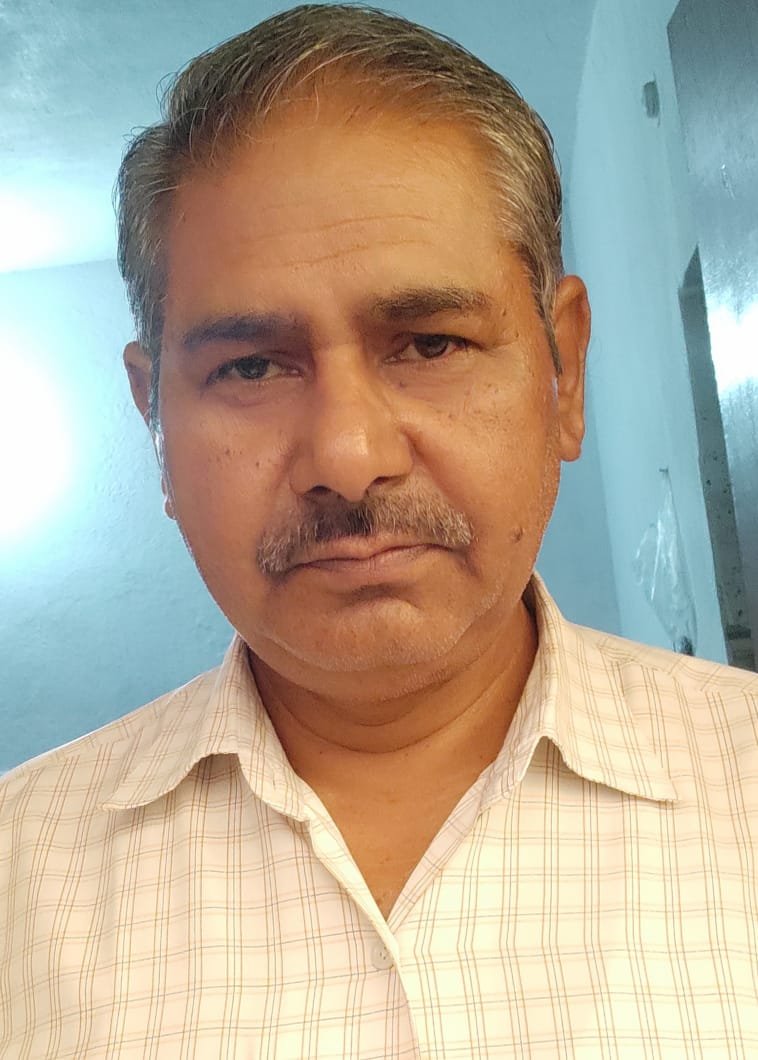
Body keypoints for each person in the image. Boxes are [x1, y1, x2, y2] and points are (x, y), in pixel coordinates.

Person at [1, 4, 756, 1056]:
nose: (349, 456)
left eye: (430, 344)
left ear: (564, 372)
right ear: (154, 421)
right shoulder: (18, 881)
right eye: (251, 366)